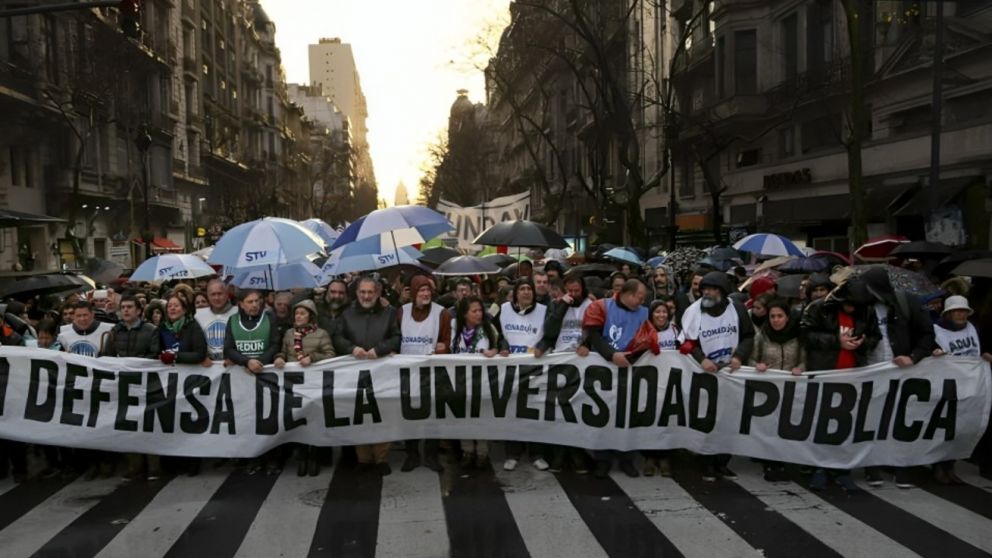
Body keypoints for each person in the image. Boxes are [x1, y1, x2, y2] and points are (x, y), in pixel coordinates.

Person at [801, 279, 881, 491]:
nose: (852, 309)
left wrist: (863, 343)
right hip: (824, 373)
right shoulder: (818, 308)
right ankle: (819, 468)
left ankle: (841, 470)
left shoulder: (866, 311)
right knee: (820, 423)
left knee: (845, 425)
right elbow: (806, 335)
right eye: (849, 304)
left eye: (856, 306)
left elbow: (875, 336)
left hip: (852, 376)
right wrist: (837, 341)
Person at [861, 266, 936, 489]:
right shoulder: (862, 307)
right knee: (870, 420)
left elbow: (927, 334)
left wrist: (913, 357)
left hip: (901, 373)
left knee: (900, 420)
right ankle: (872, 466)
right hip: (870, 371)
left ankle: (901, 466)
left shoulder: (907, 303)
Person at [679, 271, 755, 482]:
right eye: (704, 289)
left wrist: (739, 355)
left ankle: (722, 462)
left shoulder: (737, 309)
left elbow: (749, 336)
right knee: (707, 419)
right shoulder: (693, 312)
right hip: (706, 374)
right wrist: (701, 358)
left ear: (722, 291)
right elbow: (685, 342)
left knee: (729, 420)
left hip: (731, 373)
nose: (707, 293)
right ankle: (706, 463)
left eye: (712, 289)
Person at [332, 276, 402, 475]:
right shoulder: (347, 314)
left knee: (383, 414)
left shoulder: (389, 314)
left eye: (370, 292)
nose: (366, 295)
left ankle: (381, 458)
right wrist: (351, 348)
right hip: (355, 374)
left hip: (382, 374)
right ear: (357, 293)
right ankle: (363, 459)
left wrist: (379, 350)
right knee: (359, 415)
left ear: (378, 293)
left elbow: (396, 337)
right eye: (363, 292)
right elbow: (337, 337)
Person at [582, 278, 649, 478]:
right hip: (603, 370)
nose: (642, 301)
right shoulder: (601, 307)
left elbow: (648, 340)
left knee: (628, 416)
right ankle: (602, 459)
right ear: (627, 294)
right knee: (603, 416)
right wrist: (612, 355)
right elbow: (594, 336)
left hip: (630, 371)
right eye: (639, 297)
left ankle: (626, 458)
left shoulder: (644, 313)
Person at [535, 274, 591, 474]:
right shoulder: (556, 304)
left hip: (580, 364)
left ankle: (577, 453)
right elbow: (549, 331)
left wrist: (586, 345)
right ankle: (559, 453)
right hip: (559, 363)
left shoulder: (590, 305)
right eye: (570, 291)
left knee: (576, 410)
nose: (574, 295)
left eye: (577, 291)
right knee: (559, 410)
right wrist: (562, 306)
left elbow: (595, 331)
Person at [102, 293, 161, 481]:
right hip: (123, 385)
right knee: (128, 425)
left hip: (146, 384)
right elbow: (106, 357)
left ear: (139, 311)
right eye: (123, 307)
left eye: (129, 307)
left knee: (148, 424)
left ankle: (153, 466)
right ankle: (134, 466)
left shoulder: (150, 331)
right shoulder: (114, 331)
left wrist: (132, 364)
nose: (126, 310)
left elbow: (155, 355)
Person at [493, 277, 549, 472]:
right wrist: (502, 346)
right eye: (522, 288)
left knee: (534, 411)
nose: (526, 292)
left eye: (529, 289)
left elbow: (550, 334)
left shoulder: (543, 310)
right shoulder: (504, 309)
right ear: (515, 293)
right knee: (512, 411)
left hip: (535, 368)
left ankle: (536, 454)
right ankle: (513, 454)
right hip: (511, 369)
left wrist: (541, 347)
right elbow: (496, 333)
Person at [397, 275, 451, 473]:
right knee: (408, 414)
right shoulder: (402, 312)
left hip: (432, 372)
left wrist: (443, 348)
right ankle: (411, 454)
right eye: (421, 291)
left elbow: (448, 341)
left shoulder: (442, 313)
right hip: (407, 372)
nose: (426, 294)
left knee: (432, 414)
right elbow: (396, 337)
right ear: (413, 292)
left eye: (428, 290)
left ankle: (431, 455)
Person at [274, 299, 334, 477]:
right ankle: (302, 455)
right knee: (297, 418)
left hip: (314, 384)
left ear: (311, 316)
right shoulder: (288, 334)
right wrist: (279, 358)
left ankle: (314, 455)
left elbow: (330, 354)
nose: (298, 316)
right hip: (293, 384)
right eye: (296, 313)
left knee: (314, 418)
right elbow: (283, 351)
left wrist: (312, 357)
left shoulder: (321, 334)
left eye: (302, 313)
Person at [749, 298, 805, 481]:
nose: (776, 320)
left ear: (787, 317)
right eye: (772, 316)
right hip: (769, 392)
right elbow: (750, 360)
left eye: (780, 316)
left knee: (787, 427)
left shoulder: (797, 338)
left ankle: (785, 461)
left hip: (791, 390)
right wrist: (757, 365)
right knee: (769, 427)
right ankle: (770, 463)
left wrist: (801, 368)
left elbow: (804, 360)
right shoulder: (761, 336)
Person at [451, 296, 500, 469]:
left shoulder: (489, 329)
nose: (479, 314)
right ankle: (467, 451)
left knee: (481, 416)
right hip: (460, 381)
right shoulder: (454, 329)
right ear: (465, 314)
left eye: (480, 310)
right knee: (463, 417)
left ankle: (482, 453)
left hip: (482, 382)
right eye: (474, 311)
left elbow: (501, 346)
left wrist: (494, 351)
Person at [641, 300, 683, 477]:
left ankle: (665, 457)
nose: (661, 315)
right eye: (657, 312)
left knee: (668, 420)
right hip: (648, 383)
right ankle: (650, 457)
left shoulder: (675, 331)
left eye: (664, 312)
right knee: (649, 418)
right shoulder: (644, 330)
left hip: (670, 382)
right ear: (651, 314)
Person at [194, 278, 237, 363]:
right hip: (207, 366)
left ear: (227, 294)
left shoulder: (238, 312)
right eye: (213, 294)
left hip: (233, 366)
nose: (216, 298)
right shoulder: (198, 315)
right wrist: (201, 358)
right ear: (208, 296)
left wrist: (235, 357)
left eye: (220, 294)